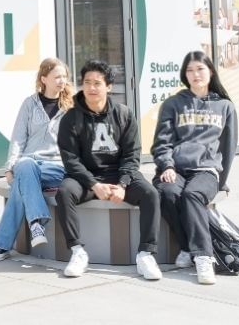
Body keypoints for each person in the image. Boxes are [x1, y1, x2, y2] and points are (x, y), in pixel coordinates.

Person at [55, 60, 161, 280]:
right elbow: (71, 160)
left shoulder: (123, 114)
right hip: (87, 177)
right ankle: (77, 251)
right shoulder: (71, 119)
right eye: (87, 83)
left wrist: (123, 184)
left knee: (150, 194)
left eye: (97, 83)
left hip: (118, 174)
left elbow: (132, 155)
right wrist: (94, 184)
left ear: (109, 86)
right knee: (64, 192)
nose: (91, 88)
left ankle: (146, 254)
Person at [152, 50, 238, 286]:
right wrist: (166, 165)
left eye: (200, 69)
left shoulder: (225, 106)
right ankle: (187, 247)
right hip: (176, 169)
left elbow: (228, 149)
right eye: (190, 70)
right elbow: (162, 142)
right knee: (167, 192)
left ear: (210, 71)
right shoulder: (173, 104)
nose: (195, 74)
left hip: (206, 171)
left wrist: (221, 181)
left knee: (192, 195)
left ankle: (203, 257)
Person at [0, 57, 73, 262]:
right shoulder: (29, 104)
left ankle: (1, 245)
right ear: (44, 78)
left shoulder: (72, 107)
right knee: (24, 167)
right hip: (29, 163)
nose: (62, 81)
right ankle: (36, 225)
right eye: (57, 76)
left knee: (22, 178)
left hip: (57, 167)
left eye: (64, 77)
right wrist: (10, 166)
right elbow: (17, 138)